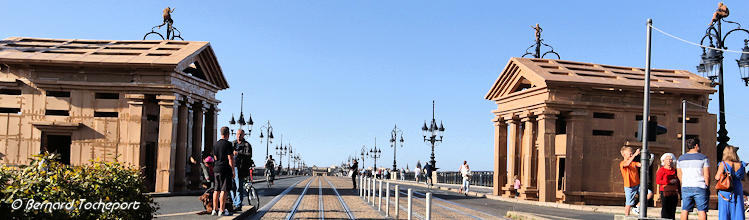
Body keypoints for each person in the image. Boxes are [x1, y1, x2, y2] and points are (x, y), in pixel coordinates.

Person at [677, 138, 710, 220]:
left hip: (686, 185)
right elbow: (707, 174)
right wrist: (707, 185)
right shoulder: (703, 158)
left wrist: (683, 182)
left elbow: (679, 174)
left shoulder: (681, 159)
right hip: (700, 185)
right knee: (702, 210)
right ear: (696, 146)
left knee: (685, 209)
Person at [619, 146, 654, 216]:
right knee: (629, 204)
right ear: (624, 155)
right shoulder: (622, 163)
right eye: (630, 154)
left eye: (632, 154)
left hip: (637, 185)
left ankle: (637, 207)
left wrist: (649, 160)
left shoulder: (634, 163)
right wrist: (635, 154)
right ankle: (626, 216)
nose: (632, 155)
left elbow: (641, 165)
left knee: (649, 194)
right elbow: (627, 164)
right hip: (629, 186)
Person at [716, 145, 745, 220]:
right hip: (738, 188)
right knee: (738, 208)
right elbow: (743, 177)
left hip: (726, 189)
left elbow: (717, 177)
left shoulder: (723, 164)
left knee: (725, 211)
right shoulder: (741, 164)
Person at [212, 126, 235, 216]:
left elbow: (215, 157)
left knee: (216, 189)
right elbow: (230, 158)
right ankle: (221, 210)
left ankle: (214, 209)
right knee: (223, 190)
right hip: (225, 168)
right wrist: (233, 170)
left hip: (216, 168)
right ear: (227, 134)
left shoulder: (216, 144)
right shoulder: (228, 144)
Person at [231, 129, 253, 211]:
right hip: (232, 167)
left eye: (240, 134)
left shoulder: (247, 145)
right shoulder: (233, 143)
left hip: (240, 168)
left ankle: (238, 204)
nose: (239, 136)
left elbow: (249, 155)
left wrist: (238, 153)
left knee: (238, 187)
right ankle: (234, 202)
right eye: (237, 134)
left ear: (243, 135)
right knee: (231, 187)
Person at [657, 153, 679, 220]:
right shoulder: (661, 170)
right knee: (665, 209)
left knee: (673, 209)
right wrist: (669, 182)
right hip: (665, 191)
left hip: (674, 192)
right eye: (667, 159)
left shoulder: (675, 170)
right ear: (663, 161)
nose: (669, 161)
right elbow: (658, 181)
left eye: (670, 159)